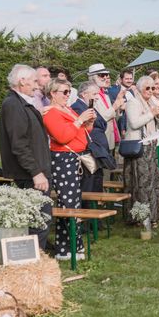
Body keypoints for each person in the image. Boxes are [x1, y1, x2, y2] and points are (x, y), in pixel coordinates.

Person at [0, 64, 52, 250]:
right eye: (35, 81)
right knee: (39, 220)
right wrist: (36, 172)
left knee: (40, 219)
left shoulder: (21, 102)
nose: (37, 86)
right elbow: (19, 144)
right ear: (22, 81)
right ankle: (35, 261)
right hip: (30, 174)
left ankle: (37, 260)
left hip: (35, 170)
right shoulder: (13, 104)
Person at [43, 79, 96, 261]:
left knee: (73, 203)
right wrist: (80, 119)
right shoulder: (50, 113)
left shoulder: (66, 109)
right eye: (64, 92)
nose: (67, 95)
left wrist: (87, 122)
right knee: (68, 204)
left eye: (68, 92)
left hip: (74, 158)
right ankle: (70, 248)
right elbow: (62, 136)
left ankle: (68, 247)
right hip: (63, 160)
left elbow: (80, 131)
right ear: (53, 93)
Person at [124, 76, 159, 224]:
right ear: (140, 89)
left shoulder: (151, 103)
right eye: (148, 88)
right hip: (138, 148)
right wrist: (151, 113)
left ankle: (152, 216)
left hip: (151, 146)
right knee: (140, 184)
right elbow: (134, 123)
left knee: (152, 184)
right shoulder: (133, 103)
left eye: (153, 88)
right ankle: (139, 217)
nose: (151, 91)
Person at [71, 81, 115, 195]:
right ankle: (89, 209)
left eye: (98, 94)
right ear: (84, 94)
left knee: (96, 185)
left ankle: (97, 206)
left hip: (97, 151)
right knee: (89, 187)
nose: (97, 97)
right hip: (89, 152)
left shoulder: (89, 106)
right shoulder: (77, 107)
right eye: (94, 94)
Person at [88, 63, 124, 152]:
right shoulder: (91, 96)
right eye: (101, 75)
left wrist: (119, 107)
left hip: (111, 139)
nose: (105, 77)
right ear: (92, 78)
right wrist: (115, 106)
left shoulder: (105, 94)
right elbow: (98, 120)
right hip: (101, 140)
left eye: (106, 75)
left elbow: (113, 118)